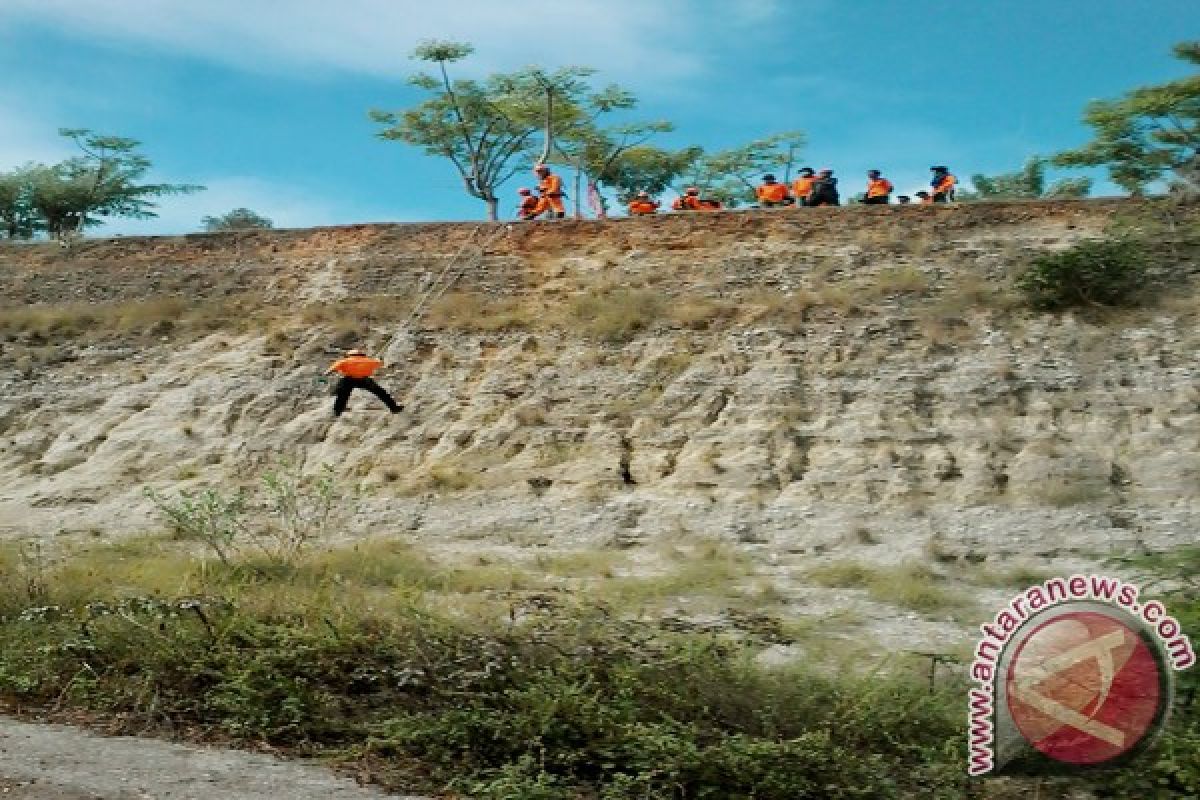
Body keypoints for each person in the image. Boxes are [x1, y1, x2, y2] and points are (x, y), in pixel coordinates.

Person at [324, 348, 403, 416]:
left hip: (349, 380)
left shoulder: (343, 361)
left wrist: (324, 377)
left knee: (343, 394)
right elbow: (380, 363)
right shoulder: (370, 361)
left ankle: (337, 410)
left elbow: (330, 371)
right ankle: (394, 408)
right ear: (362, 355)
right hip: (364, 380)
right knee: (381, 393)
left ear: (349, 355)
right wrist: (380, 359)